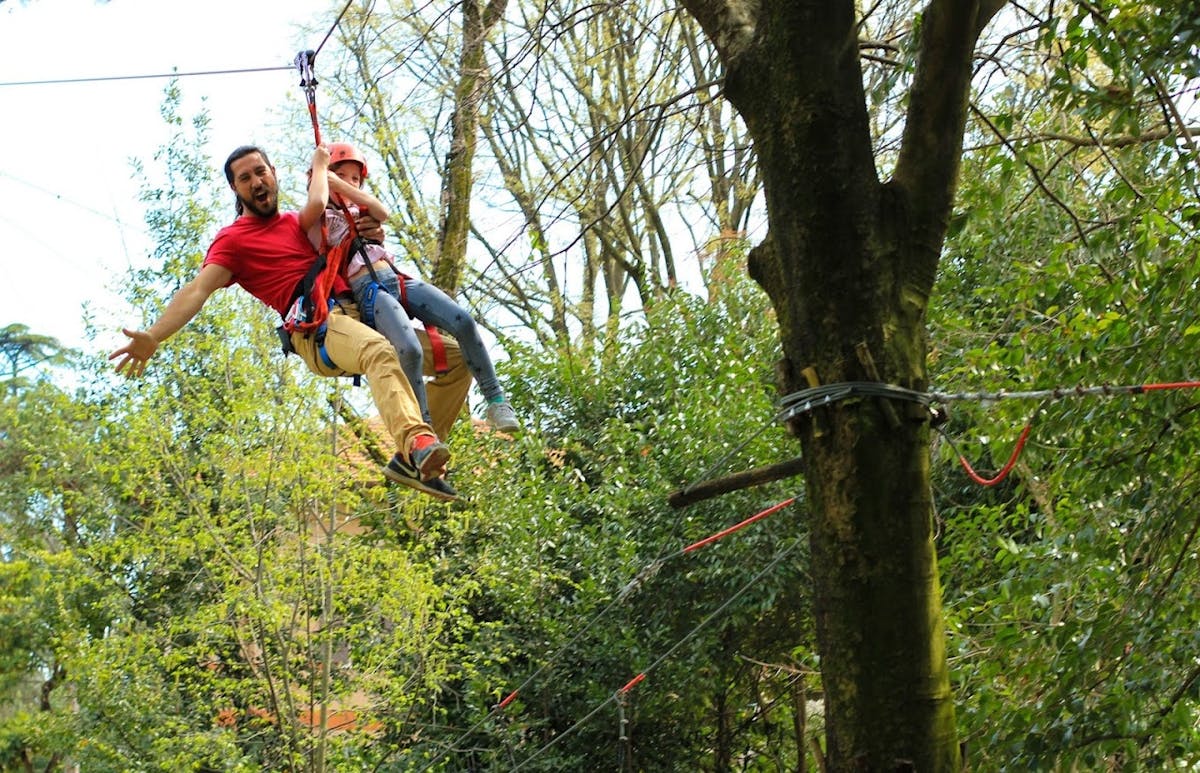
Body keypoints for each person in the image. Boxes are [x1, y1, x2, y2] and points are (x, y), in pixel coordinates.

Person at [110, 144, 461, 502]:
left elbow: (354, 251)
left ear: (274, 173)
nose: (256, 182)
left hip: (359, 312)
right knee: (378, 351)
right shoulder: (235, 240)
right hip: (318, 327)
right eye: (244, 178)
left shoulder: (304, 222)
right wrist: (155, 335)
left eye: (260, 172)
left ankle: (413, 459)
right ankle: (417, 439)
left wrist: (368, 233)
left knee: (457, 360)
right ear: (235, 190)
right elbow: (198, 289)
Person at [299, 142, 521, 436]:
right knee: (409, 349)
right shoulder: (319, 221)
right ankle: (423, 426)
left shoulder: (364, 213)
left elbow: (383, 211)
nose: (350, 182)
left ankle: (496, 400)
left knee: (463, 320)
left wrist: (342, 185)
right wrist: (320, 171)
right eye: (342, 175)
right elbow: (316, 204)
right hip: (369, 291)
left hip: (396, 279)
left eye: (356, 178)